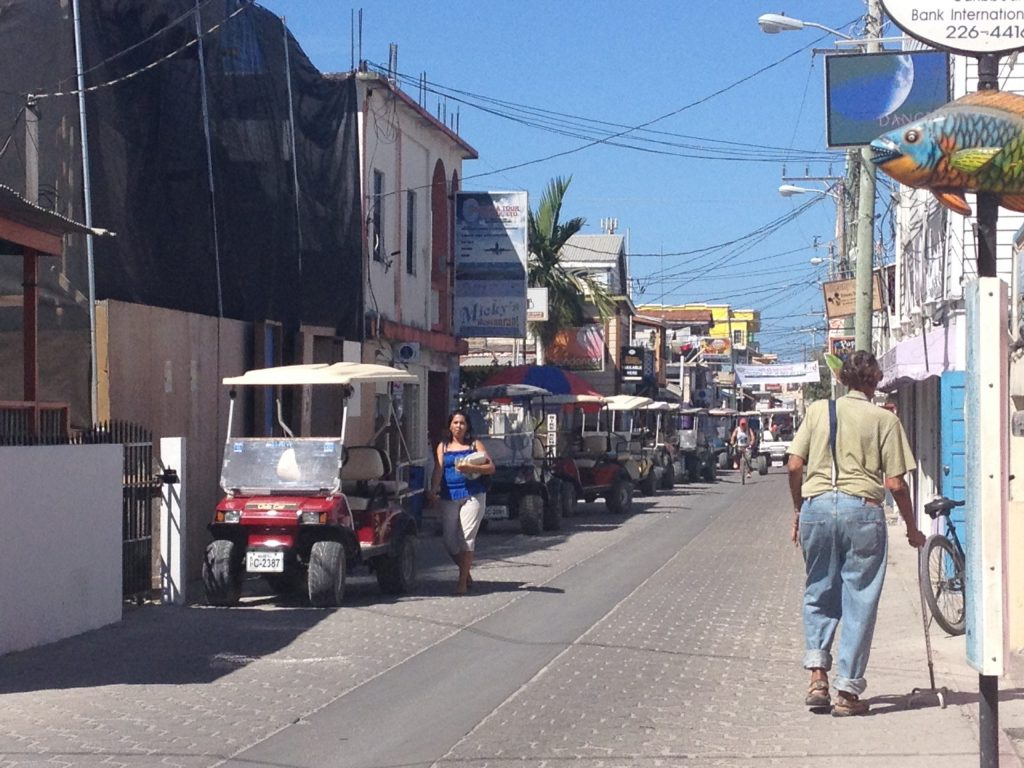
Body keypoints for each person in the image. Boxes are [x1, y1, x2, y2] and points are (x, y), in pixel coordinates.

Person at [787, 350, 926, 717]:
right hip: (862, 510)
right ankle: (846, 692)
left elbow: (794, 464)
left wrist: (799, 509)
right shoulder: (884, 420)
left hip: (817, 506)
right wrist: (912, 529)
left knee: (818, 589)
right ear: (875, 381)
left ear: (843, 379)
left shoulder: (818, 411)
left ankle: (817, 675)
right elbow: (895, 483)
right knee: (859, 599)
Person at [426, 409, 495, 595]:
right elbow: (438, 470)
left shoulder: (475, 444)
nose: (458, 426)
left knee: (466, 537)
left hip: (473, 494)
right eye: (455, 423)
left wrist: (469, 467)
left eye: (462, 423)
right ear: (450, 425)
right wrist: (433, 489)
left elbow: (490, 467)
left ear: (467, 426)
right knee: (449, 540)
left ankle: (462, 582)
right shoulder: (443, 446)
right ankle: (466, 571)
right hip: (449, 495)